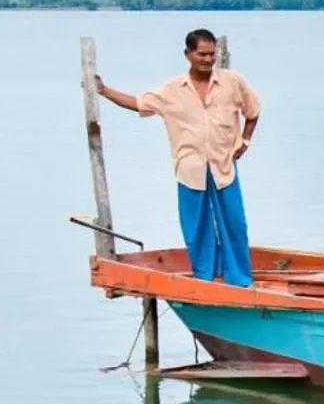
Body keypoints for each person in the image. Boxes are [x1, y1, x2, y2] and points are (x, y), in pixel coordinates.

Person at [96, 28, 261, 287]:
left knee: (235, 224)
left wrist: (246, 140)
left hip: (223, 165)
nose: (207, 60)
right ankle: (205, 276)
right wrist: (104, 91)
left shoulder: (232, 81)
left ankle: (238, 278)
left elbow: (253, 111)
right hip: (190, 168)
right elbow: (138, 103)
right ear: (188, 54)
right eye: (201, 54)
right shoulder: (172, 90)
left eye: (211, 54)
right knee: (196, 228)